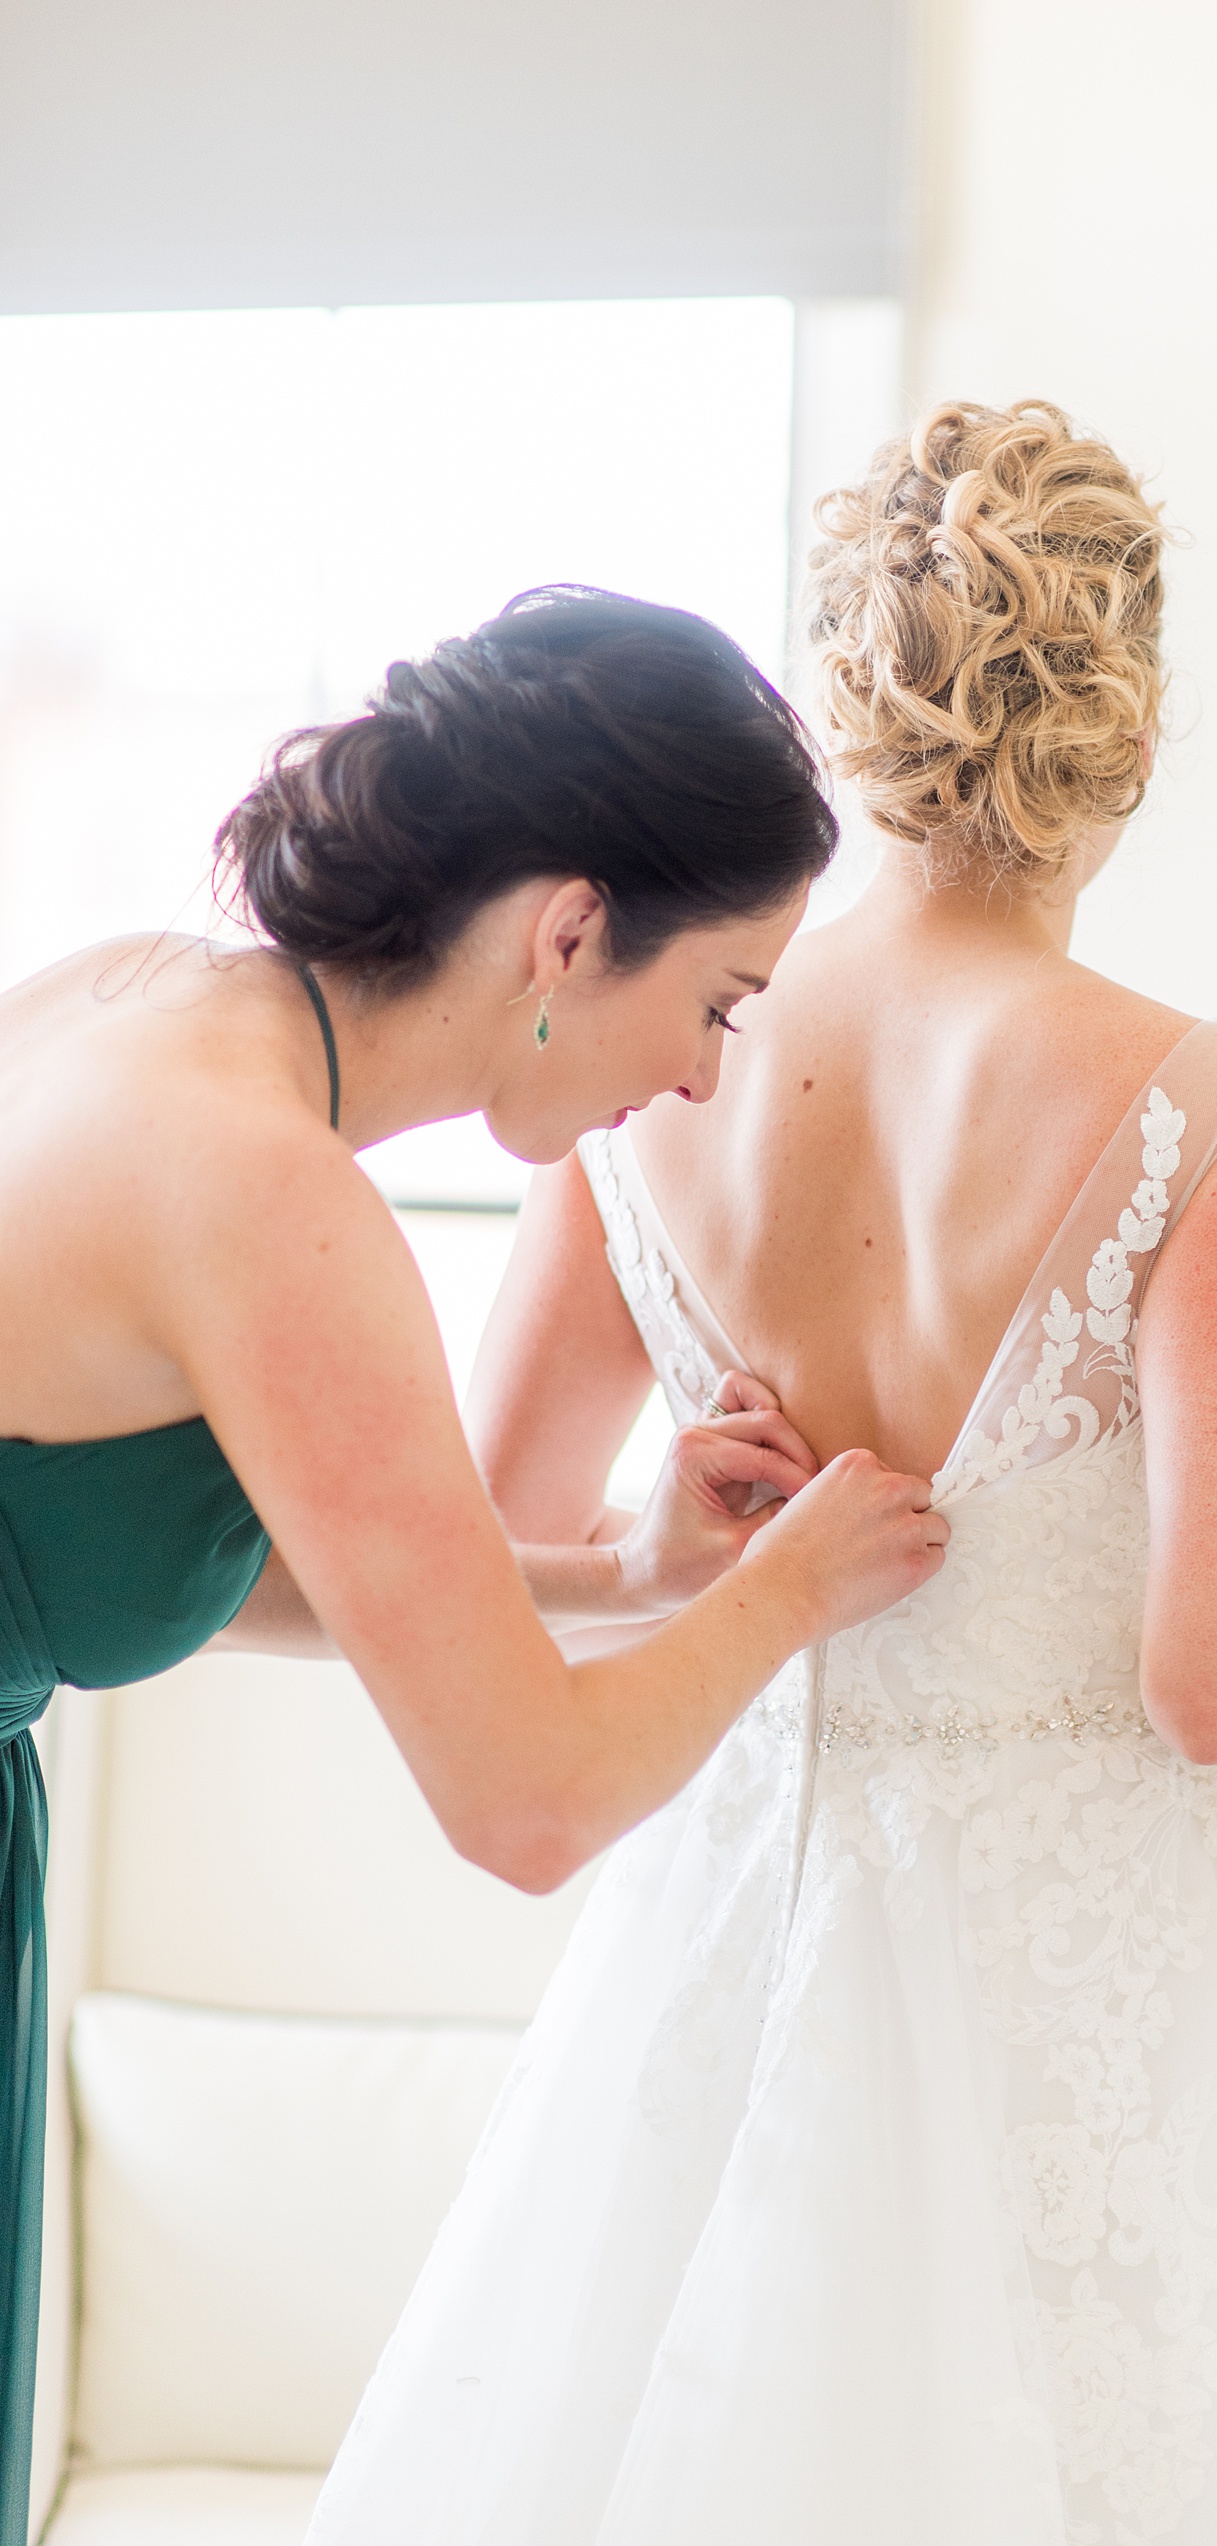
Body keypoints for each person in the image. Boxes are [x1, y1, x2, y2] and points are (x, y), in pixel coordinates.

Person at [306, 410, 1217, 2544]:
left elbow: (507, 1539)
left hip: (745, 1918)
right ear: (1127, 725)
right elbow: (1214, 1685)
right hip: (1107, 1983)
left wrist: (685, 1552)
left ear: (852, 707)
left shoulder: (649, 1055)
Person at [0, 587, 948, 2541]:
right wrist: (793, 1585)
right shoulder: (276, 1197)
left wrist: (634, 1566)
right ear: (570, 927)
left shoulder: (134, 996)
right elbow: (527, 1801)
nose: (700, 1082)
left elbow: (208, 1568)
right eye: (717, 1004)